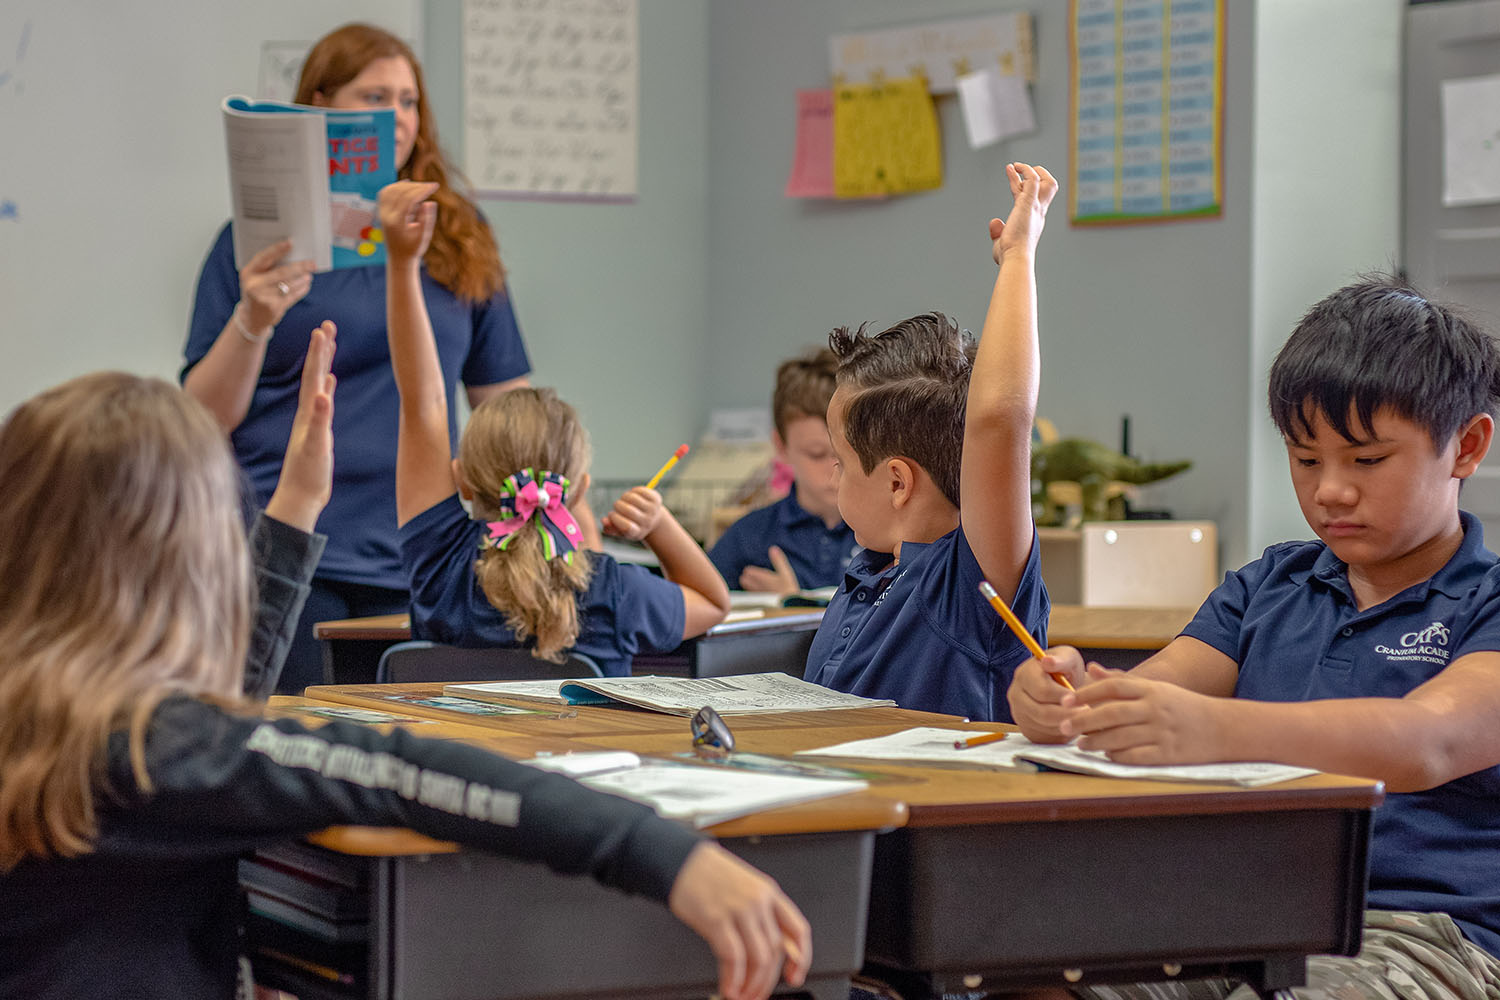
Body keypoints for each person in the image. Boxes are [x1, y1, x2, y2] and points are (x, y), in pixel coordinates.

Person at [0, 326, 810, 1000]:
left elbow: (210, 720)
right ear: (197, 566)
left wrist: (293, 511)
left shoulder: (91, 732)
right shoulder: (160, 749)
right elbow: (403, 771)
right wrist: (667, 855)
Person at [1008, 278, 1500, 1000]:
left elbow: (1427, 740)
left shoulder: (1488, 602)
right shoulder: (1268, 585)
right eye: (1306, 460)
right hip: (1237, 910)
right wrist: (1073, 701)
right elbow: (1162, 690)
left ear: (1467, 446)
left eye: (1366, 460)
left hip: (1422, 932)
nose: (1330, 489)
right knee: (1029, 978)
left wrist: (1215, 728)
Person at [182, 23, 531, 693]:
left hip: (422, 555)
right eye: (375, 97)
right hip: (283, 551)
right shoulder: (254, 243)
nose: (397, 118)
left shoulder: (457, 237)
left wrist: (544, 518)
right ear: (320, 107)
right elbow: (200, 419)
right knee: (291, 756)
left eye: (408, 101)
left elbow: (505, 404)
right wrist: (252, 319)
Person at [380, 181, 731, 673]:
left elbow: (423, 403)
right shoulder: (612, 589)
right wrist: (658, 527)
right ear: (579, 488)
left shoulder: (440, 564)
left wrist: (401, 264)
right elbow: (713, 604)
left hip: (453, 752)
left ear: (460, 477)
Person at [803, 162, 1055, 721]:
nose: (830, 478)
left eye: (841, 463)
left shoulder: (965, 583)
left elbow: (1001, 419)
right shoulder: (871, 568)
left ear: (897, 481)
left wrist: (1018, 258)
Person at [709, 347, 858, 595]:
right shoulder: (749, 538)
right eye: (817, 454)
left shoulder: (889, 535)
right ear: (782, 447)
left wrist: (794, 603)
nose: (835, 469)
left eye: (848, 451)